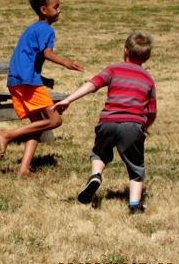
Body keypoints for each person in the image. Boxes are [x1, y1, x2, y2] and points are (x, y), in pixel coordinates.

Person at [51, 32, 156, 214]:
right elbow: (152, 112)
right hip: (133, 125)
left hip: (108, 122)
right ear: (147, 57)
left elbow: (92, 85)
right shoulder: (148, 79)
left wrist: (68, 99)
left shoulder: (113, 69)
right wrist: (145, 126)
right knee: (135, 166)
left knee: (100, 153)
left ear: (125, 51)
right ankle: (134, 205)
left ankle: (96, 175)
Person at [0, 0, 85, 178]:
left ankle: (23, 169)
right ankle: (7, 135)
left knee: (38, 124)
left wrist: (42, 79)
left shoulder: (32, 29)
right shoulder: (46, 29)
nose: (59, 10)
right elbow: (47, 53)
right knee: (55, 120)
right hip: (27, 82)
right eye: (56, 7)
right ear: (44, 10)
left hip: (16, 81)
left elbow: (26, 59)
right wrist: (67, 63)